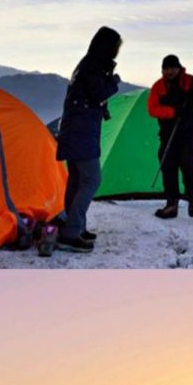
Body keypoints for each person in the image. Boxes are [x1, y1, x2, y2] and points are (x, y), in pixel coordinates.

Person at [55, 26, 121, 251]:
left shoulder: (87, 64)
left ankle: (74, 227)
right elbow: (98, 93)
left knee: (76, 180)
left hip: (75, 129)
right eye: (116, 46)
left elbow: (90, 97)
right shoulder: (93, 66)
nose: (117, 51)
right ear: (107, 46)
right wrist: (114, 82)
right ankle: (71, 232)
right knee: (92, 179)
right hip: (81, 131)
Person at [147, 54, 193, 219]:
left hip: (188, 133)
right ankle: (172, 204)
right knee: (168, 167)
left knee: (189, 166)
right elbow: (152, 109)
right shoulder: (158, 86)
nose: (169, 71)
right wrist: (173, 112)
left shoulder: (190, 81)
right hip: (168, 133)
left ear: (178, 67)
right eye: (166, 68)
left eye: (172, 68)